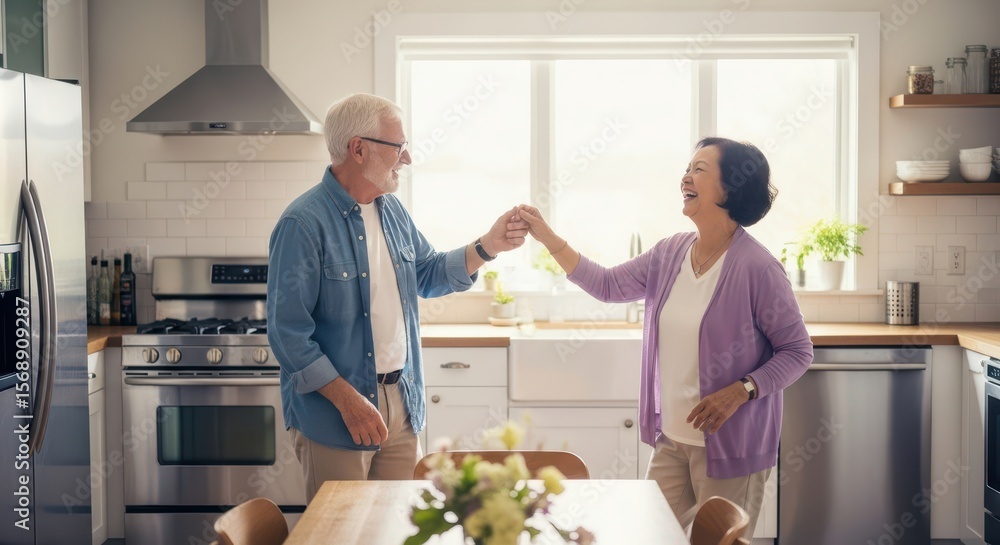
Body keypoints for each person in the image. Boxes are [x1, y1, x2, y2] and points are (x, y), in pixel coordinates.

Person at [516, 137, 813, 537]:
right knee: (648, 535)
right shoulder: (670, 252)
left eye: (699, 170)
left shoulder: (758, 268)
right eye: (687, 168)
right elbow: (607, 285)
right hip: (672, 440)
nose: (685, 178)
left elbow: (797, 351)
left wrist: (741, 389)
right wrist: (548, 237)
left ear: (730, 188)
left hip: (731, 448)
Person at [266, 93, 528, 501]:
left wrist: (489, 245)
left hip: (401, 405)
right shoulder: (303, 224)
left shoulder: (392, 211)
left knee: (399, 528)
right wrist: (349, 403)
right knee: (341, 534)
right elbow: (288, 335)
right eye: (399, 147)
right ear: (358, 149)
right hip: (337, 409)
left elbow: (428, 273)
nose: (406, 158)